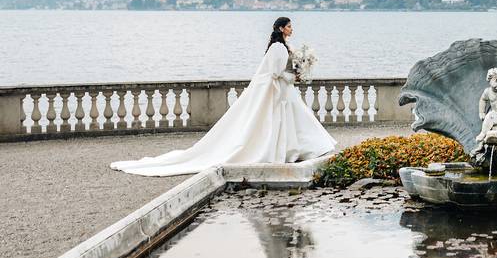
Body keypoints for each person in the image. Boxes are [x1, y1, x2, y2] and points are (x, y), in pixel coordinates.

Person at [111, 17, 336, 176]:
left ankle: (297, 148)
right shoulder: (278, 48)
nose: (291, 29)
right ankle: (292, 149)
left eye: (291, 26)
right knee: (282, 119)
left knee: (291, 118)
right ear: (280, 28)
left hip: (282, 91)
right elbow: (276, 73)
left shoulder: (284, 45)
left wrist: (298, 69)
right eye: (289, 26)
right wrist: (293, 77)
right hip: (279, 89)